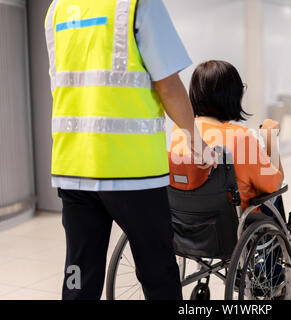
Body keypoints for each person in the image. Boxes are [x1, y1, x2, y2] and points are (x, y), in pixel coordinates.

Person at [44, 0, 214, 300]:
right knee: (157, 269)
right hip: (131, 170)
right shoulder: (137, 4)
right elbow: (168, 86)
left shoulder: (57, 8)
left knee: (79, 272)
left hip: (73, 166)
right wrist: (193, 137)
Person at [170, 60, 284, 212]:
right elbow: (274, 184)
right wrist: (271, 140)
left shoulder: (182, 130)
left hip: (190, 221)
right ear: (233, 95)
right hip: (233, 225)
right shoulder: (240, 137)